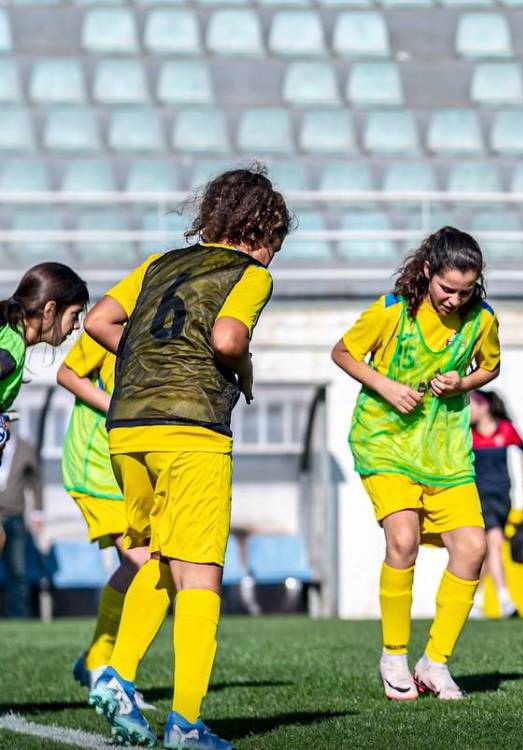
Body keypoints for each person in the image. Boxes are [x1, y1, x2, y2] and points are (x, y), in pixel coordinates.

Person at [85, 166, 289, 750]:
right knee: (200, 575)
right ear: (262, 230)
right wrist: (241, 365)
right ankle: (185, 725)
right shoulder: (249, 274)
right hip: (190, 427)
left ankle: (117, 678)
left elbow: (101, 321)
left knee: (157, 557)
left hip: (127, 427)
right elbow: (227, 339)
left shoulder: (157, 265)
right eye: (276, 242)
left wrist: (154, 353)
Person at [332, 226, 500, 703]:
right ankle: (394, 655)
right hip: (384, 444)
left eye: (466, 291)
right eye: (448, 288)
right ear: (427, 271)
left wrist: (463, 385)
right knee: (402, 540)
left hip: (445, 453)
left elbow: (491, 365)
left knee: (471, 550)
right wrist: (385, 386)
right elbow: (342, 351)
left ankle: (435, 662)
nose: (455, 299)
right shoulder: (391, 312)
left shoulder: (482, 319)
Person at [58, 330, 157, 694]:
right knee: (144, 564)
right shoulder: (113, 320)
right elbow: (67, 373)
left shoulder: (167, 328)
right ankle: (107, 670)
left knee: (147, 566)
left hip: (132, 468)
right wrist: (114, 405)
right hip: (95, 468)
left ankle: (96, 662)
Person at [0, 261, 90, 571]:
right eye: (74, 315)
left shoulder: (10, 338)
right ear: (50, 309)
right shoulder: (10, 347)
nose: (76, 325)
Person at [468, 390, 523, 619]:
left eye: (472, 405)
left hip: (502, 497)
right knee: (493, 544)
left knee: (486, 549)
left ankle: (476, 603)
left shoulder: (506, 429)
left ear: (484, 406)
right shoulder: (467, 434)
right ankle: (505, 601)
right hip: (477, 497)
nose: (468, 410)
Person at [0, 436, 42, 618]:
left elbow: (35, 480)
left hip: (15, 516)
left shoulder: (24, 447)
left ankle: (19, 617)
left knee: (18, 570)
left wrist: (38, 512)